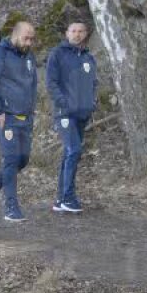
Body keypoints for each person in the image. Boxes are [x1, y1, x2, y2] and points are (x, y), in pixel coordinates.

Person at [0, 20, 39, 222]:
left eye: (32, 38)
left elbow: (32, 84)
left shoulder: (29, 56)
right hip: (6, 115)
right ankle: (11, 207)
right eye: (26, 38)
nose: (29, 42)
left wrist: (31, 110)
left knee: (22, 160)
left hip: (25, 116)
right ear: (15, 35)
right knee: (11, 159)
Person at [45, 21, 98, 213]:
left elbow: (93, 83)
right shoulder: (57, 54)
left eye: (80, 31)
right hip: (65, 113)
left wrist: (93, 103)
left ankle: (60, 200)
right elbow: (51, 83)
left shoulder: (89, 58)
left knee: (69, 153)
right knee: (74, 150)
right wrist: (63, 103)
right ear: (67, 33)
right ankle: (68, 197)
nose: (76, 34)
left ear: (85, 34)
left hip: (83, 113)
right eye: (73, 31)